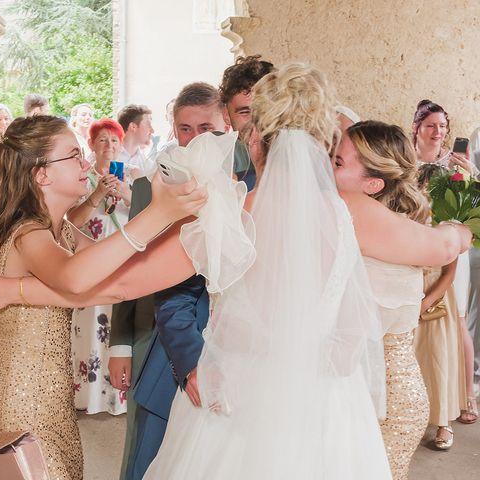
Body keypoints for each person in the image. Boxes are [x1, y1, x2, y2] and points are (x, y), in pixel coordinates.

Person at [143, 63, 470, 479]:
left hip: (239, 392)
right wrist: (460, 227)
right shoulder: (345, 211)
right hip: (327, 397)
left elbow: (127, 282)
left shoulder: (228, 213)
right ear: (321, 137)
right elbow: (440, 247)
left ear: (255, 136)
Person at [0, 114, 206, 479]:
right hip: (23, 403)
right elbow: (76, 280)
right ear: (41, 174)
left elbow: (122, 280)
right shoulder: (27, 232)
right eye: (74, 156)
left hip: (55, 401)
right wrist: (158, 213)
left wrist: (196, 229)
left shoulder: (62, 230)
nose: (86, 163)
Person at [113, 82, 227, 480]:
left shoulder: (249, 187)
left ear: (225, 124)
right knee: (145, 451)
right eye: (184, 129)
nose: (195, 139)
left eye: (206, 128)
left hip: (231, 344)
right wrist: (120, 344)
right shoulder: (149, 187)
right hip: (158, 339)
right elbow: (129, 265)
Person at [333, 120, 451, 479]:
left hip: (385, 406)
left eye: (337, 162)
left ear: (372, 184)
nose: (324, 167)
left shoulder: (378, 247)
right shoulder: (385, 232)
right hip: (364, 396)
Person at [412, 99, 478, 437]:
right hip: (415, 247)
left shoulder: (456, 164)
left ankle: (466, 397)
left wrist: (470, 173)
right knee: (421, 328)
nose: (438, 132)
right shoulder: (404, 163)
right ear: (417, 128)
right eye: (431, 126)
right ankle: (422, 399)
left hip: (451, 247)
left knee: (457, 322)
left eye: (442, 126)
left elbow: (471, 207)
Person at [67, 118, 131, 414]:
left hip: (123, 262)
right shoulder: (82, 178)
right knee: (91, 325)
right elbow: (72, 222)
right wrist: (98, 194)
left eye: (115, 140)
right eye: (103, 140)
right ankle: (87, 396)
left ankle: (118, 397)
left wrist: (125, 192)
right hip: (91, 261)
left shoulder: (132, 175)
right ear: (91, 145)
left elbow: (146, 213)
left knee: (119, 327)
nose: (109, 146)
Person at [218, 55, 274, 190]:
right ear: (226, 114)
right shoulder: (219, 161)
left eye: (264, 111)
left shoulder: (295, 154)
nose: (255, 122)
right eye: (244, 112)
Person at [117, 104, 155, 177]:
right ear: (133, 127)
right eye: (148, 124)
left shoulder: (148, 165)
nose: (152, 130)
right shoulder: (107, 156)